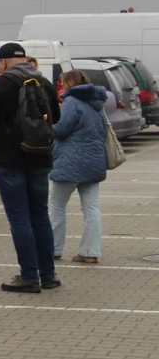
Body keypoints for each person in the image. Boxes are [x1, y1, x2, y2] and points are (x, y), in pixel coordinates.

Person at [0, 42, 61, 293]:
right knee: (39, 215)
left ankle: (28, 276)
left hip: (9, 158)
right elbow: (55, 116)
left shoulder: (2, 84)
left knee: (19, 217)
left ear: (1, 62)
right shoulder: (43, 83)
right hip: (40, 156)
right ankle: (48, 274)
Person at [49, 70, 107, 264]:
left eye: (62, 82)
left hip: (70, 162)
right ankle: (90, 251)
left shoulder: (71, 102)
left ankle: (53, 249)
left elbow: (60, 129)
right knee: (91, 208)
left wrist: (47, 122)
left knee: (57, 206)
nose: (60, 85)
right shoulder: (97, 103)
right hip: (94, 162)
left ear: (69, 83)